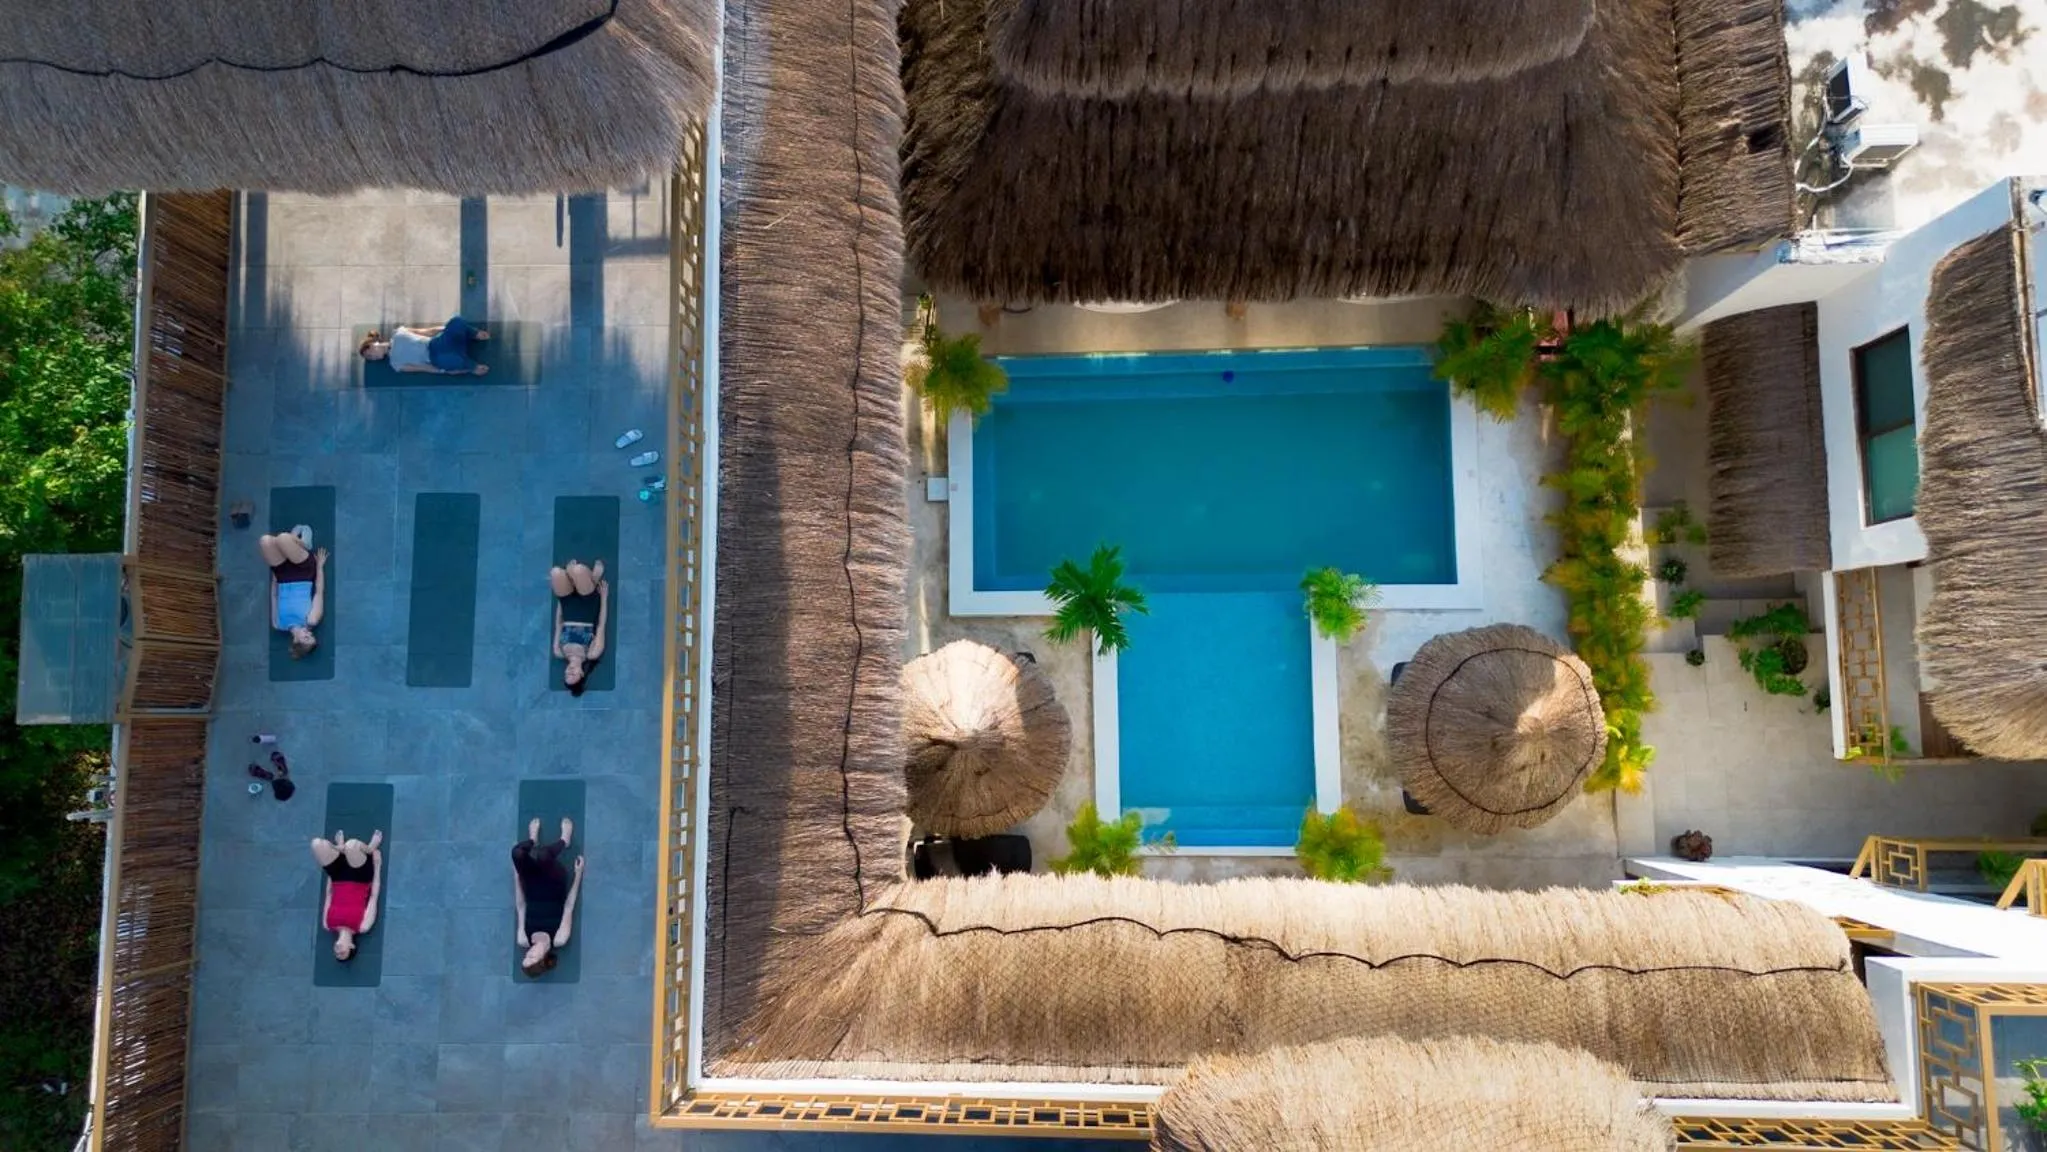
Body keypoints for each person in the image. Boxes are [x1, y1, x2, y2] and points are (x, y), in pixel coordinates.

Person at [513, 817, 584, 978]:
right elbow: (568, 907)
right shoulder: (559, 939)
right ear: (542, 959)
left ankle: (532, 840)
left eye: (526, 956)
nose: (528, 953)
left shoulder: (523, 939)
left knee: (517, 853)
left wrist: (516, 877)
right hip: (554, 884)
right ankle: (564, 840)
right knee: (544, 856)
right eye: (531, 957)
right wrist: (578, 875)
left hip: (531, 883)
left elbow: (521, 906)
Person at [312, 829, 382, 962]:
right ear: (351, 946)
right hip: (360, 877)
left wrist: (331, 871)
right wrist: (377, 865)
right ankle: (370, 848)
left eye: (336, 954)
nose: (338, 952)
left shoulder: (327, 924)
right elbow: (374, 896)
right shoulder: (362, 926)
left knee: (316, 844)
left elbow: (329, 895)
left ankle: (340, 848)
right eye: (343, 954)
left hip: (338, 877)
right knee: (352, 845)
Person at [260, 528, 327, 660]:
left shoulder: (278, 624)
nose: (309, 633)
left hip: (282, 576)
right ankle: (304, 544)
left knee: (265, 541)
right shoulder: (312, 620)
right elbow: (319, 592)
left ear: (296, 641)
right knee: (282, 538)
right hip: (304, 573)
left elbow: (274, 596)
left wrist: (275, 577)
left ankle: (290, 545)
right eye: (311, 636)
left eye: (306, 637)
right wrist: (319, 566)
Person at [550, 559, 609, 697]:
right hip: (588, 607)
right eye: (573, 674)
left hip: (568, 607)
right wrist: (604, 599)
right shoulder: (592, 653)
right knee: (577, 570)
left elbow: (558, 624)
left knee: (555, 573)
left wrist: (560, 600)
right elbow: (601, 626)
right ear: (582, 673)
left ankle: (572, 582)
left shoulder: (559, 652)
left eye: (567, 674)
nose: (569, 671)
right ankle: (593, 579)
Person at [357, 316, 492, 376]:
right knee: (449, 361)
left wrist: (447, 329)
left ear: (373, 344)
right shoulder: (395, 364)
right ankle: (472, 366)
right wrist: (445, 371)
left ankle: (474, 334)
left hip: (435, 343)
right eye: (370, 359)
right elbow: (421, 368)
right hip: (435, 357)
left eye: (370, 354)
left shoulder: (398, 333)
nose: (373, 358)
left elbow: (426, 331)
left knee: (456, 322)